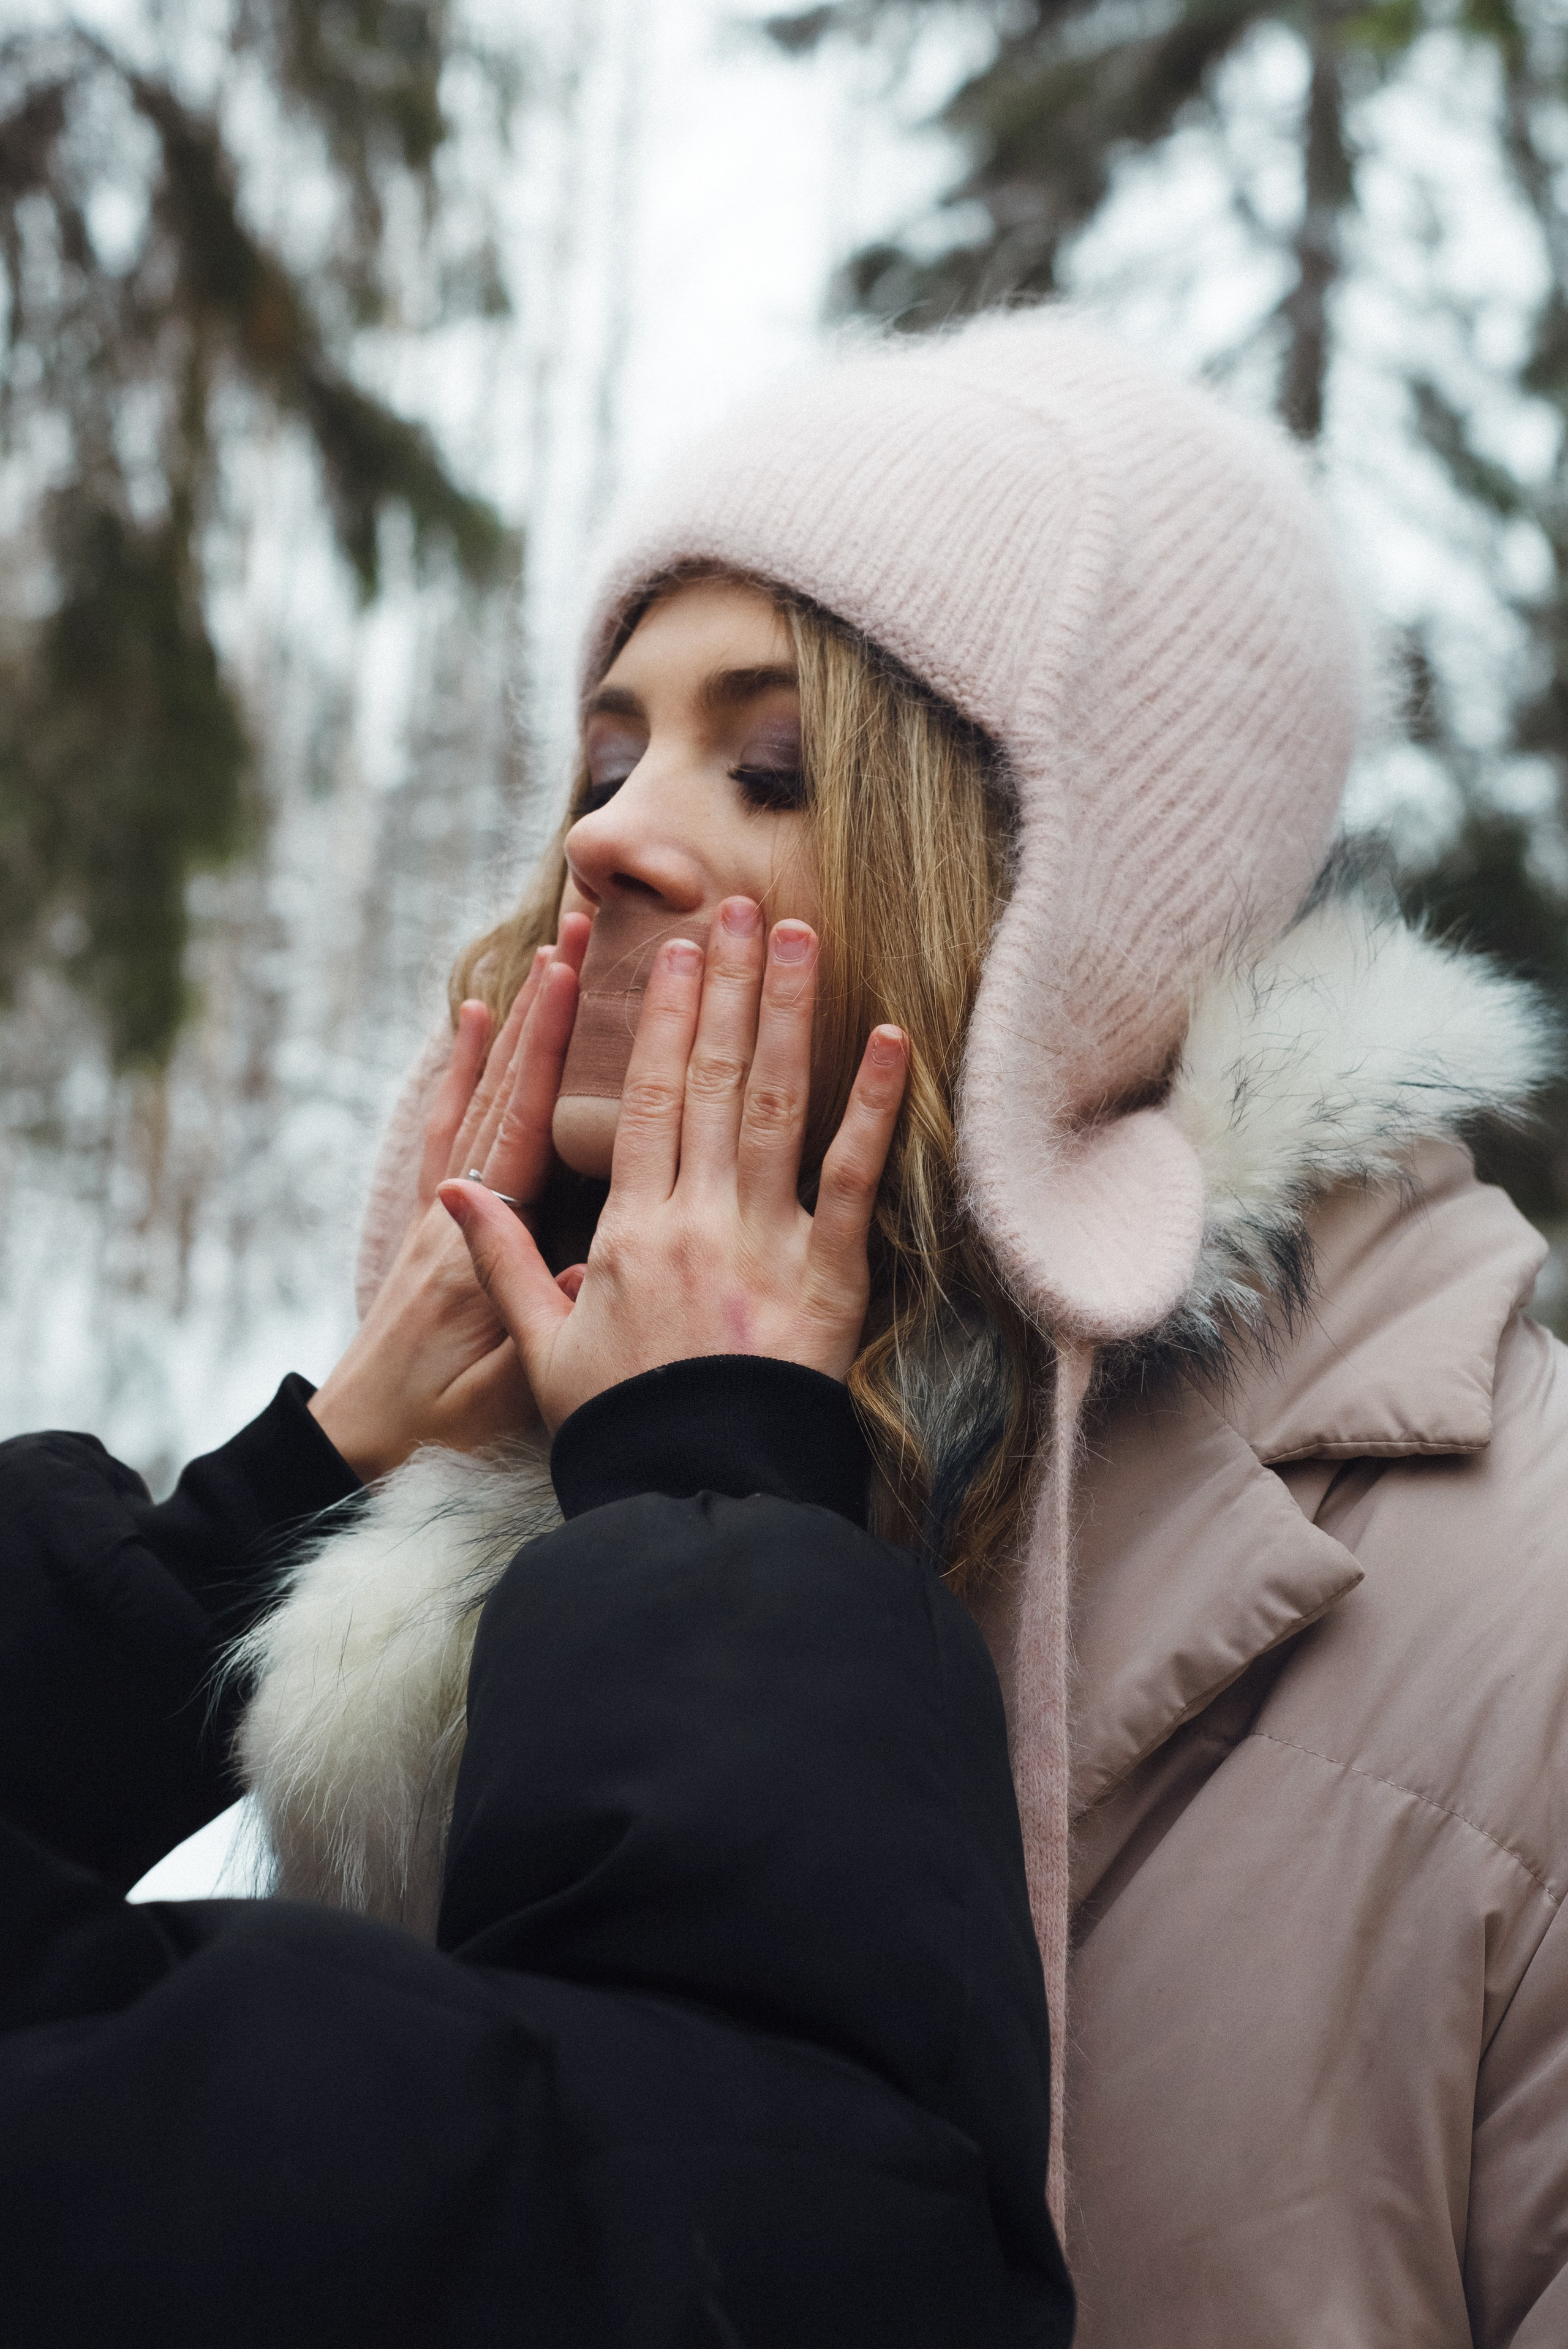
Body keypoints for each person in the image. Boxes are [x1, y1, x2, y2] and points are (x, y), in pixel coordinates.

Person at [1, 305, 1562, 2349]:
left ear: (1084, 908)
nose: (605, 835)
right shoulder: (506, 1520)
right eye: (603, 752)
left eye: (772, 762)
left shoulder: (1508, 1586)